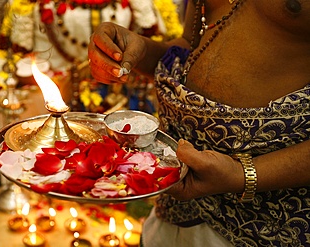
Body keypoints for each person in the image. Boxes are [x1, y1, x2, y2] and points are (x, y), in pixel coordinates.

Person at [87, 0, 310, 246]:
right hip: (170, 217)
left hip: (267, 226)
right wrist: (142, 51)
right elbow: (191, 47)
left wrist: (243, 175)